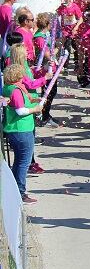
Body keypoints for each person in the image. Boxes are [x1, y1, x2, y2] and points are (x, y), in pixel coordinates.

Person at [2, 64, 44, 204]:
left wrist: (34, 101)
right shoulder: (15, 90)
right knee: (23, 163)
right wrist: (35, 109)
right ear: (17, 76)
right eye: (22, 74)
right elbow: (20, 110)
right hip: (21, 130)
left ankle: (14, 190)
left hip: (15, 130)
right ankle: (20, 192)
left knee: (19, 161)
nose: (24, 77)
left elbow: (21, 103)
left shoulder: (8, 88)